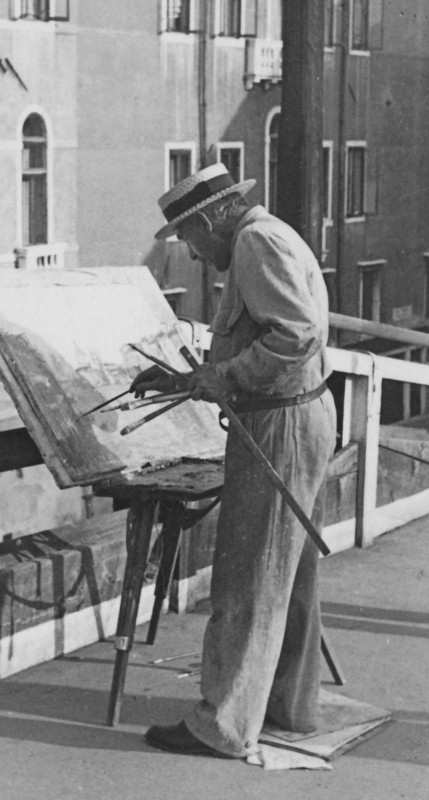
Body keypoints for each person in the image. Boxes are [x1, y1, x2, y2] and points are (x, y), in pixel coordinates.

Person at [132, 163, 337, 759]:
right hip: (297, 414)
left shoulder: (253, 242)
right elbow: (264, 332)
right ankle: (288, 707)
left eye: (190, 236)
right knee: (289, 573)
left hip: (280, 423)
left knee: (249, 575)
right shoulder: (269, 235)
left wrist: (224, 377)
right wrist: (196, 374)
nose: (194, 253)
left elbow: (296, 334)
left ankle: (221, 725)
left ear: (215, 215)